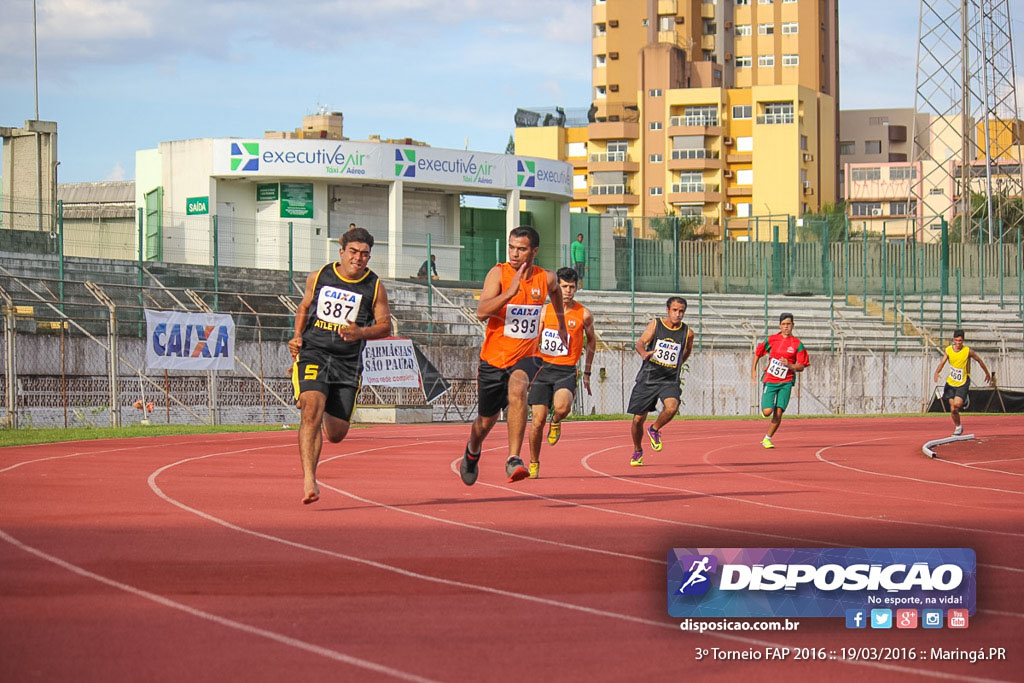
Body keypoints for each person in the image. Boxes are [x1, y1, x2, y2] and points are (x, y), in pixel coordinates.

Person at [288, 228, 391, 504]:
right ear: (341, 251)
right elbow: (303, 306)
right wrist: (297, 335)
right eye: (354, 252)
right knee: (311, 410)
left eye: (365, 254)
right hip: (315, 352)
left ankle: (318, 401)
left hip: (347, 361)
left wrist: (360, 333)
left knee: (336, 434)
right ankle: (310, 479)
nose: (358, 258)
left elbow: (385, 326)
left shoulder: (375, 286)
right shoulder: (320, 276)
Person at [459, 226, 568, 486]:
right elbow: (482, 312)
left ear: (534, 251)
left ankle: (513, 458)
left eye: (521, 249)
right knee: (486, 421)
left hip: (526, 355)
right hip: (494, 358)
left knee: (519, 388)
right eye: (511, 247)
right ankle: (473, 450)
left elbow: (555, 293)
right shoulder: (498, 273)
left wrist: (561, 323)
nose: (514, 254)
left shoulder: (546, 278)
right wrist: (509, 292)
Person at [525, 267, 596, 478]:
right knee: (537, 421)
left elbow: (592, 341)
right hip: (542, 369)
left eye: (571, 287)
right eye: (563, 287)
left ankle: (555, 421)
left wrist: (587, 372)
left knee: (563, 407)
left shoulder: (583, 314)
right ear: (556, 287)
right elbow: (533, 340)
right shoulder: (545, 311)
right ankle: (534, 461)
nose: (567, 291)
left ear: (577, 288)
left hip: (565, 369)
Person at [626, 297, 694, 466]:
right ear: (668, 310)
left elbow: (686, 352)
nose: (678, 314)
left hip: (669, 380)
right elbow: (640, 343)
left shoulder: (688, 333)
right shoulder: (656, 325)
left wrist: (676, 365)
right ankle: (637, 450)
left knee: (672, 407)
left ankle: (654, 429)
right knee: (637, 420)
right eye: (675, 310)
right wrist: (643, 353)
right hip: (648, 378)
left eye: (681, 311)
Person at [750, 312, 810, 449]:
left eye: (788, 324)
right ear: (779, 325)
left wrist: (789, 365)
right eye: (783, 324)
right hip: (770, 380)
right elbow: (758, 353)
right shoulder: (772, 340)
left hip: (786, 382)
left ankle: (767, 438)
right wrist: (753, 370)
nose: (786, 327)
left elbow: (801, 366)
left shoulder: (797, 344)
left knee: (778, 412)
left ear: (793, 325)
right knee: (767, 411)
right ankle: (766, 409)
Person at [933, 329, 992, 436]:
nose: (958, 343)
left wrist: (987, 373)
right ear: (953, 340)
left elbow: (979, 360)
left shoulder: (968, 351)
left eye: (960, 341)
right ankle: (958, 426)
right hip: (951, 383)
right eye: (956, 340)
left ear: (963, 340)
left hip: (963, 382)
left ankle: (964, 400)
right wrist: (937, 372)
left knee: (957, 404)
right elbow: (942, 362)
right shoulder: (949, 350)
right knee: (953, 409)